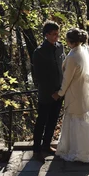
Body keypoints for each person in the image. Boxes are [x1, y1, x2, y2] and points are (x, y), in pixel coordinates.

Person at [52, 28, 89, 163]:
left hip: (75, 93)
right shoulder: (81, 51)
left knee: (76, 121)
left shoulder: (72, 57)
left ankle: (80, 151)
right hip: (82, 92)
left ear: (70, 41)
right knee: (84, 119)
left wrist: (60, 93)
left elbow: (67, 79)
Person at [32, 21, 65, 159]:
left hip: (60, 91)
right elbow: (38, 76)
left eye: (57, 34)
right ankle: (36, 150)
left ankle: (46, 145)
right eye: (53, 34)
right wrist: (52, 92)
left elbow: (63, 68)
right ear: (46, 35)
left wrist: (61, 90)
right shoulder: (39, 52)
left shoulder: (60, 47)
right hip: (46, 94)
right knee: (42, 121)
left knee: (53, 120)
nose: (56, 37)